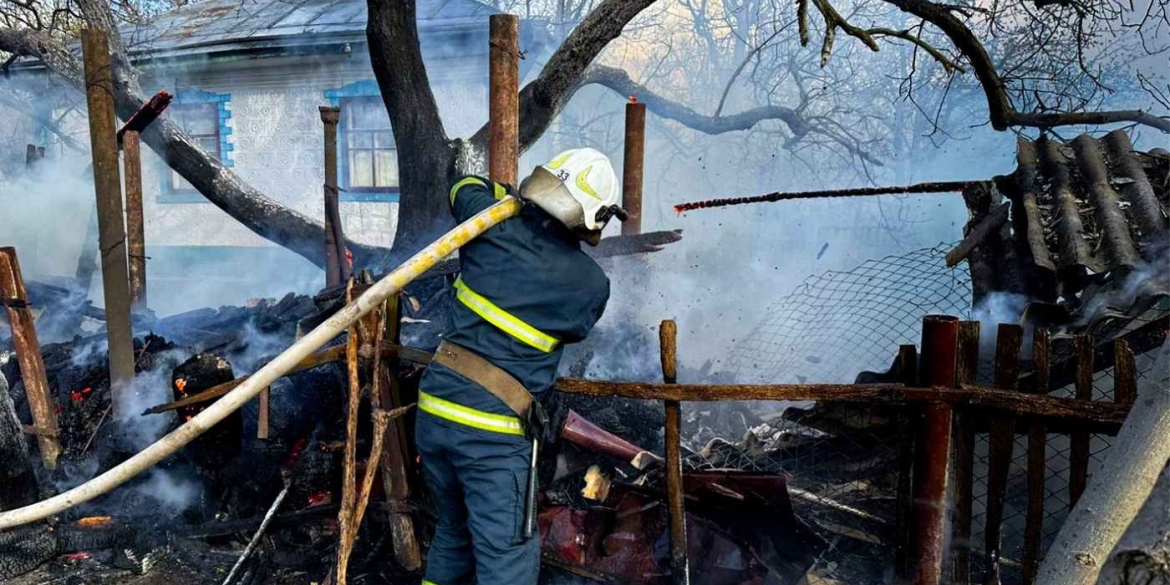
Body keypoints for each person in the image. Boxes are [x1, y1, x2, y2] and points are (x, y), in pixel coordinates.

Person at [415, 148, 626, 585]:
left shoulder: (489, 225)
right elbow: (576, 329)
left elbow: (462, 186)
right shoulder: (590, 284)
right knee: (506, 555)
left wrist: (506, 197)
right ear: (595, 217)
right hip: (490, 434)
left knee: (452, 533)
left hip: (434, 411)